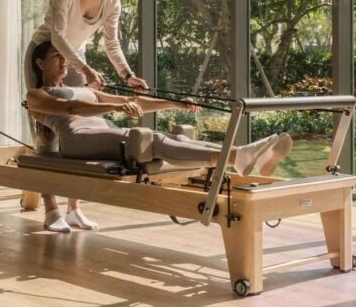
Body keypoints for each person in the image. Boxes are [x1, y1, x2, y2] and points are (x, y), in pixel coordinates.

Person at [27, 40, 293, 233]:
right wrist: (115, 107)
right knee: (150, 141)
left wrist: (175, 103)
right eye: (56, 56)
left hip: (102, 130)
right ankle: (237, 156)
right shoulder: (36, 95)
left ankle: (240, 154)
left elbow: (133, 101)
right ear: (40, 63)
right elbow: (71, 108)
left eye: (64, 56)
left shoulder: (85, 89)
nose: (63, 60)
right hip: (78, 137)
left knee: (171, 138)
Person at [23, 0, 148, 92]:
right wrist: (86, 70)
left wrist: (128, 76)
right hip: (44, 56)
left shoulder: (113, 3)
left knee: (83, 103)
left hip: (75, 59)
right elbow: (58, 37)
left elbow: (111, 43)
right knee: (42, 105)